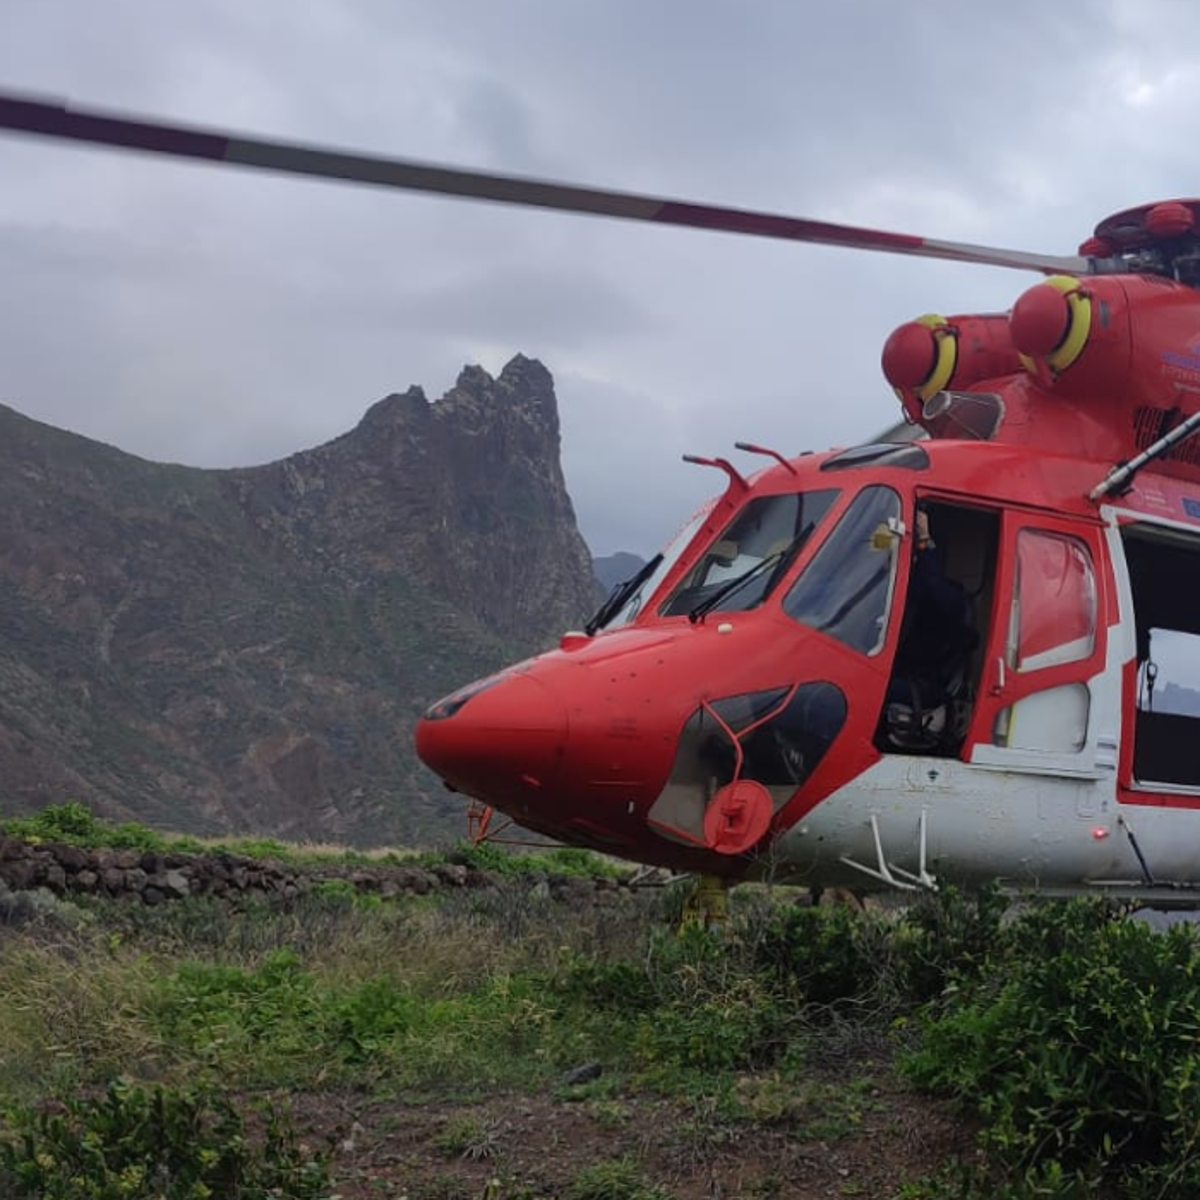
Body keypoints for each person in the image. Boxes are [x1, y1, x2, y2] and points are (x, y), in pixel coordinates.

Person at [881, 508, 978, 752]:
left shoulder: (950, 600)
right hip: (894, 671)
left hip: (922, 685)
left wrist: (923, 541)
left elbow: (935, 590)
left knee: (862, 682)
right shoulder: (900, 595)